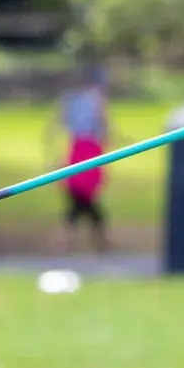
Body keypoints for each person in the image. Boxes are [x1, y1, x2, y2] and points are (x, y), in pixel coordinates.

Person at [50, 63, 112, 252]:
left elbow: (103, 128)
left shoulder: (79, 100)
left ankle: (79, 239)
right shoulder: (88, 100)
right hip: (84, 149)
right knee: (81, 201)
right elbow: (102, 126)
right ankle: (90, 239)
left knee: (82, 201)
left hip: (86, 149)